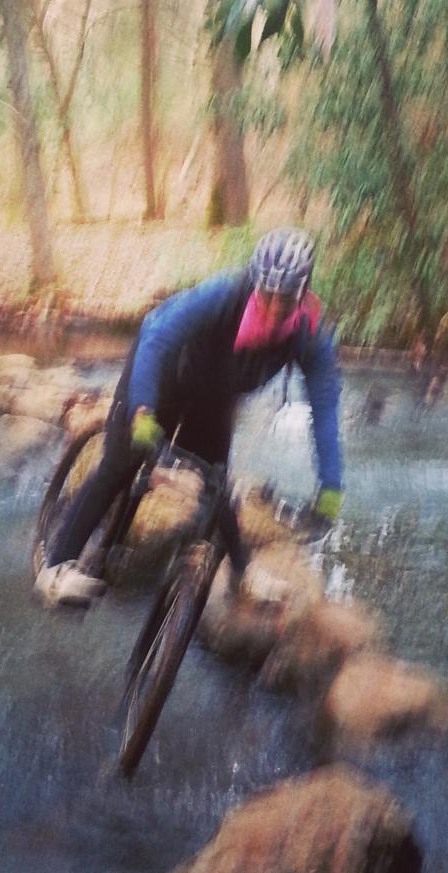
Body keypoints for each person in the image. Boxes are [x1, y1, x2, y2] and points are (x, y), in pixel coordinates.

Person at [35, 227, 344, 609]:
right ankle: (56, 569)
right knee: (120, 463)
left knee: (217, 481)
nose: (274, 307)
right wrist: (143, 411)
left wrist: (331, 487)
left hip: (214, 396)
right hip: (163, 376)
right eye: (267, 294)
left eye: (286, 298)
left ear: (303, 292)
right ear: (255, 282)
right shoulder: (223, 294)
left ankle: (242, 576)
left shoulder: (310, 337)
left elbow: (325, 409)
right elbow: (156, 335)